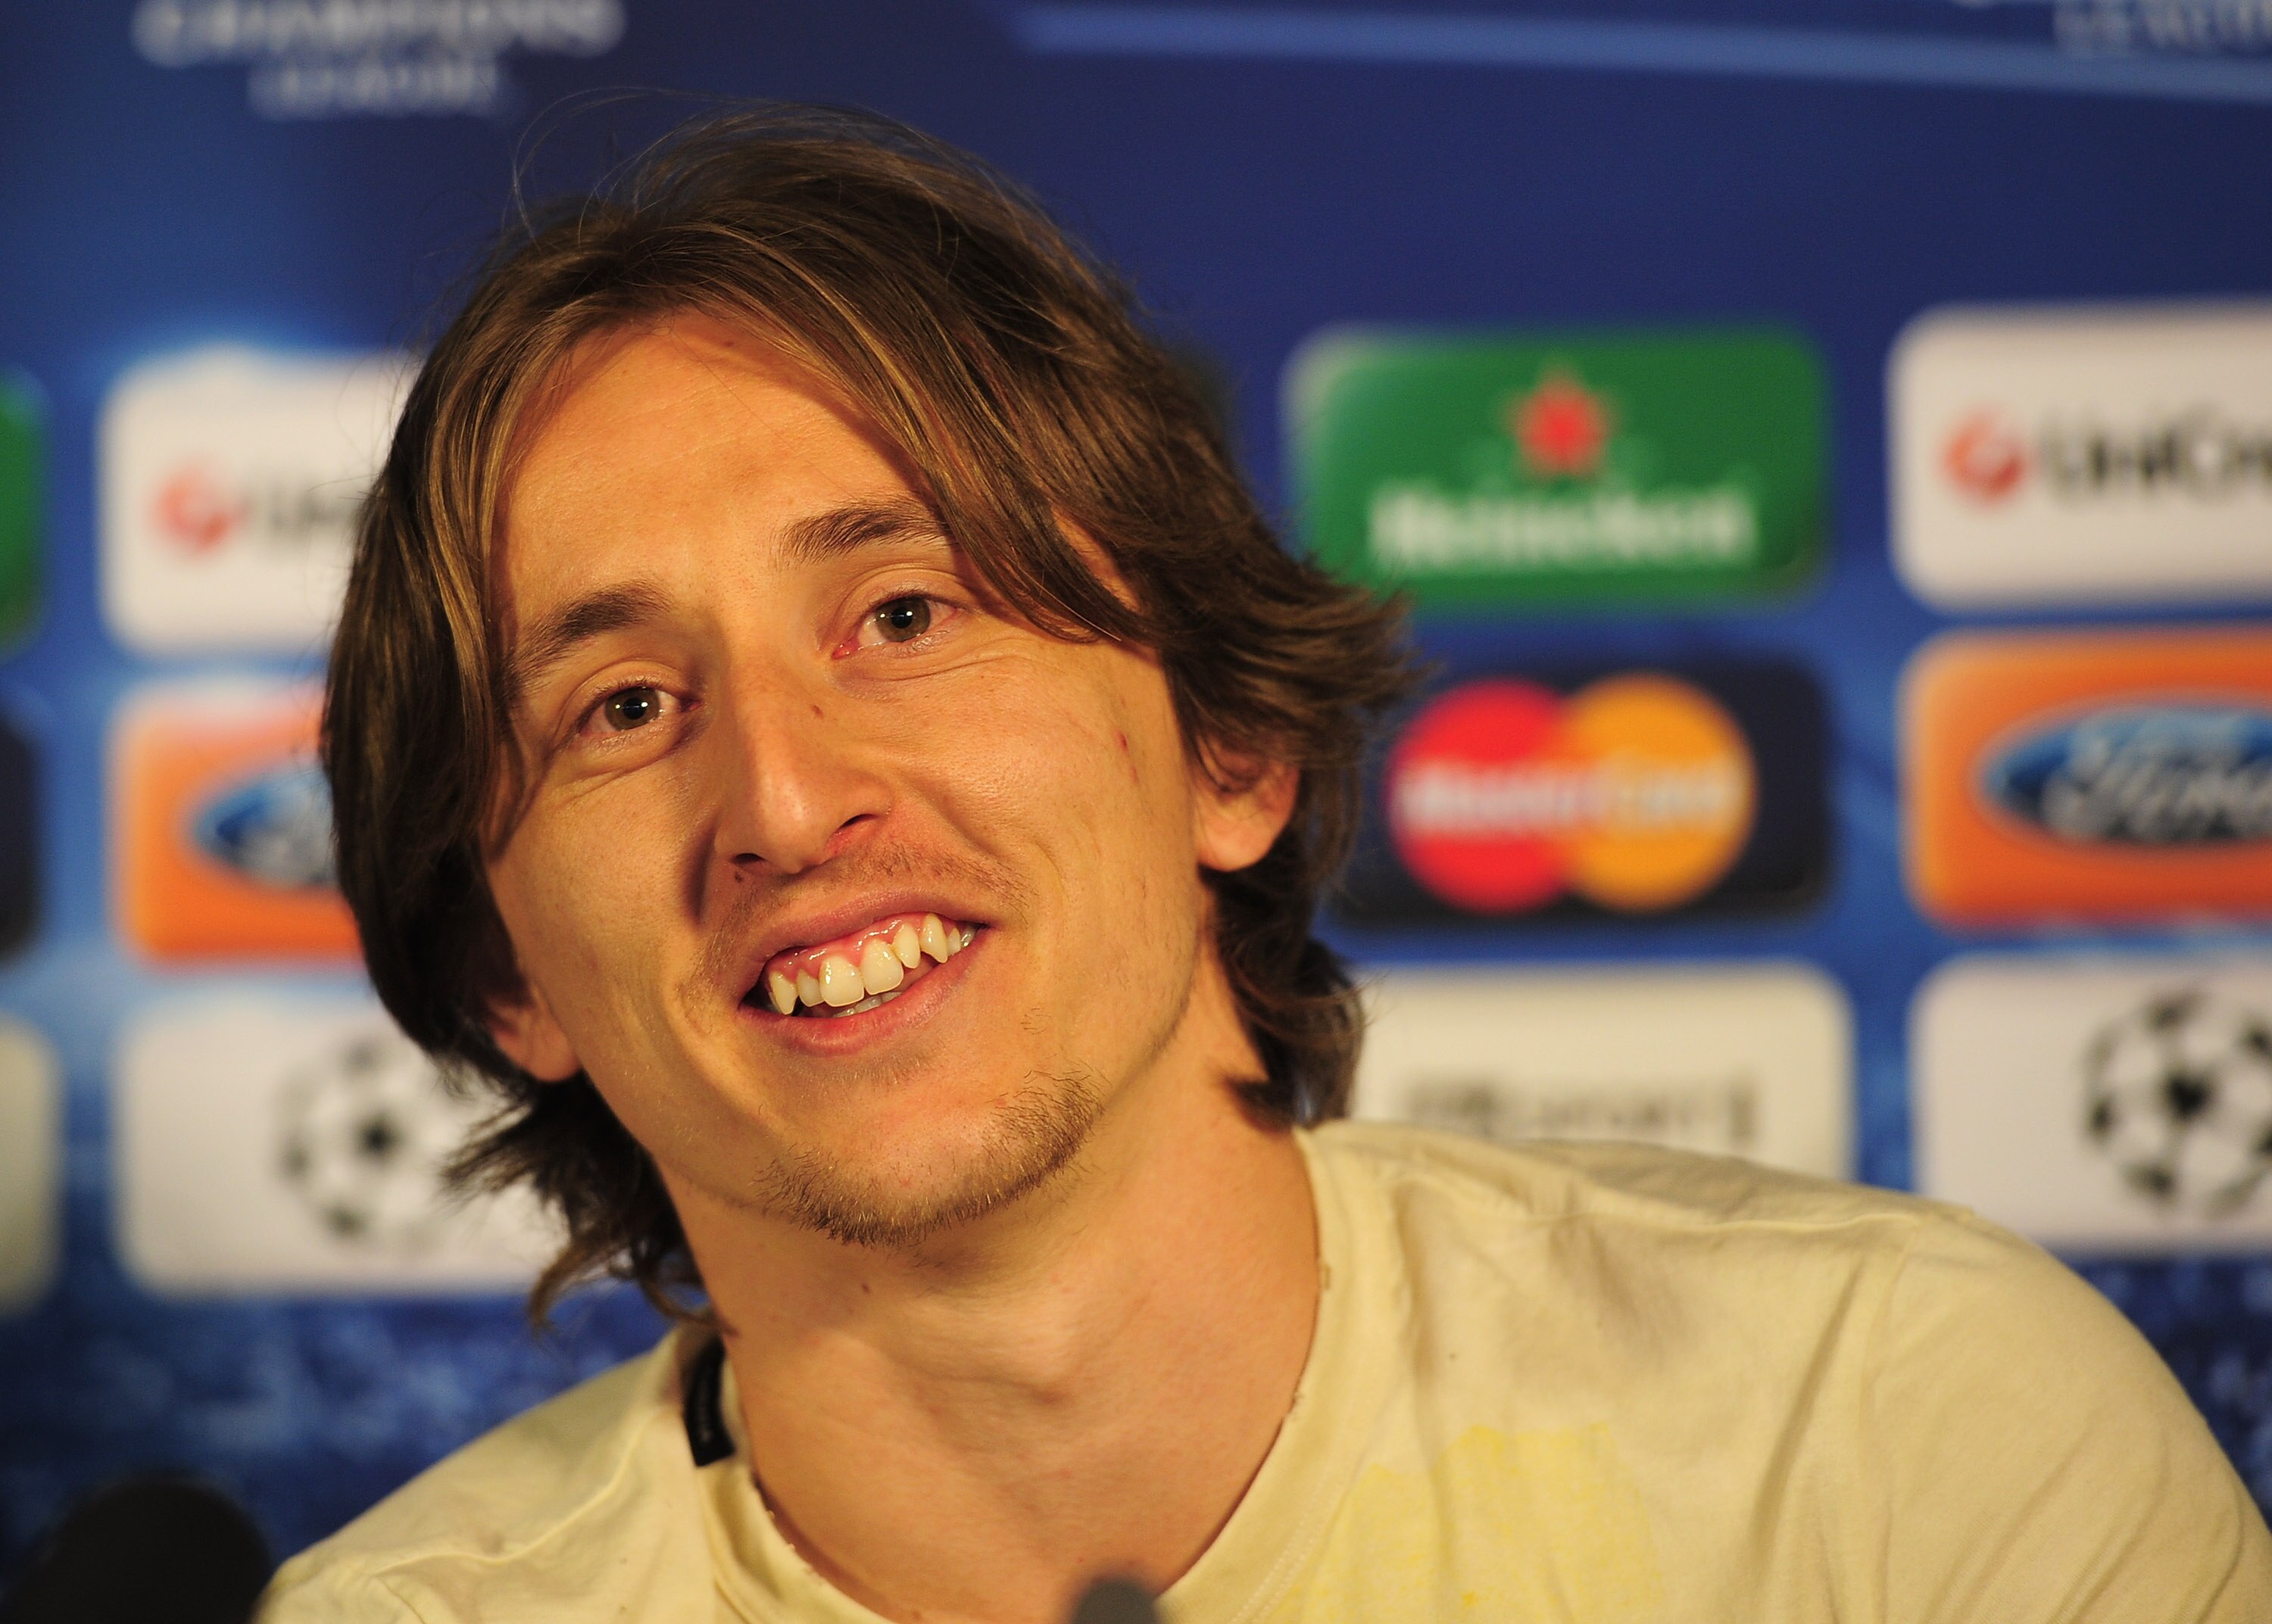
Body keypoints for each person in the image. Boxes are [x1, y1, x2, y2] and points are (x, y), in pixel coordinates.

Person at [261, 106, 2271, 1624]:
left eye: (904, 614)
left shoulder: (1899, 1445)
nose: (785, 801)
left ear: (1230, 746)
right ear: (508, 968)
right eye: (621, 708)